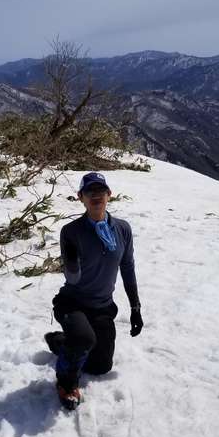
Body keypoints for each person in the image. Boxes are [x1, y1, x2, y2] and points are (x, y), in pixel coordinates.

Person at [45, 171, 143, 410]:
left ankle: (61, 343)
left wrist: (135, 307)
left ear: (109, 194)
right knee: (84, 339)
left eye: (100, 190)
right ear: (81, 197)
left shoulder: (122, 229)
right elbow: (73, 279)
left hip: (102, 307)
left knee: (101, 367)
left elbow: (127, 267)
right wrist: (71, 263)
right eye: (89, 191)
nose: (96, 195)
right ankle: (66, 383)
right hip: (73, 303)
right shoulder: (72, 231)